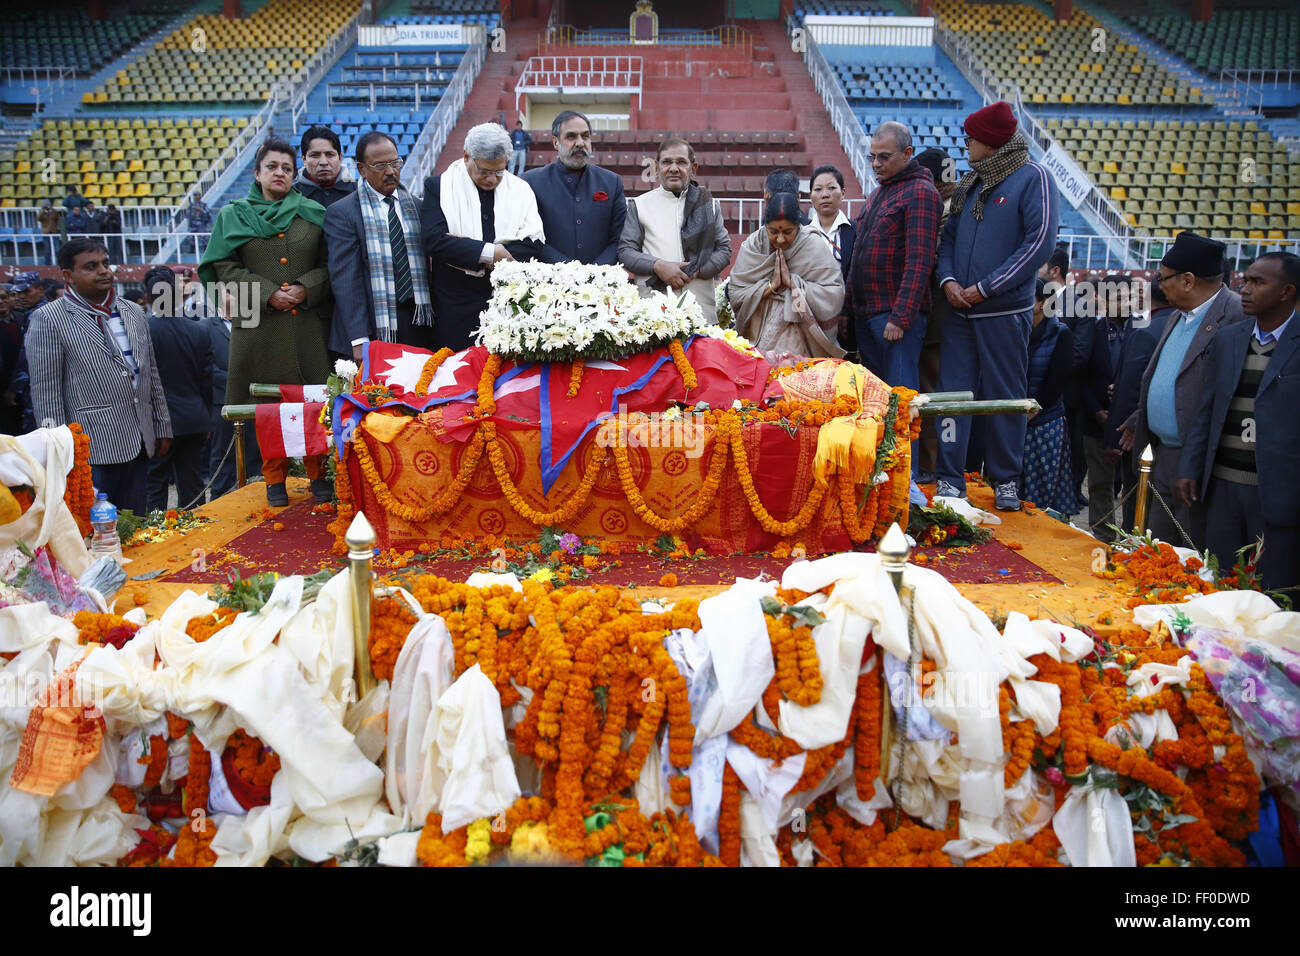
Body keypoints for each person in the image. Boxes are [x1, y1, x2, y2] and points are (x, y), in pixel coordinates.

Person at [933, 100, 1058, 511]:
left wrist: (986, 288)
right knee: (954, 395)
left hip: (1003, 312)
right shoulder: (970, 182)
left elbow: (1039, 243)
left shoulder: (1033, 177)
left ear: (990, 141)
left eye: (971, 137)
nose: (965, 144)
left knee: (1006, 395)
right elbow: (948, 239)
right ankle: (951, 478)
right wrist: (949, 280)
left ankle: (1006, 479)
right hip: (958, 311)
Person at [201, 137, 333, 508]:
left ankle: (318, 472)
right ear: (257, 172)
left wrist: (306, 288)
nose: (279, 173)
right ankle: (273, 478)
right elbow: (223, 266)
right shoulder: (233, 215)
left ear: (297, 174)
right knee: (266, 406)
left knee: (311, 401)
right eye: (272, 166)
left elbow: (330, 264)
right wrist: (266, 292)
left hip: (307, 328)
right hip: (259, 330)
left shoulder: (312, 212)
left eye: (287, 168)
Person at [1177, 252, 1300, 591]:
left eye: (1258, 282)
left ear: (1287, 291)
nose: (1245, 289)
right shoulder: (1230, 338)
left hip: (1277, 493)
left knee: (1273, 594)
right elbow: (1208, 409)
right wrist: (1191, 467)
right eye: (1245, 280)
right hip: (1222, 489)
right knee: (1222, 586)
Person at [26, 239, 172, 517]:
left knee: (136, 523)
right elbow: (46, 392)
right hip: (89, 449)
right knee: (97, 531)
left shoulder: (133, 311)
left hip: (141, 438)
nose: (104, 271)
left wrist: (162, 424)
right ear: (68, 275)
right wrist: (59, 451)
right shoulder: (49, 319)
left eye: (106, 263)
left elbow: (150, 373)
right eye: (91, 267)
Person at [1119, 231, 1246, 549]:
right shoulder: (1178, 315)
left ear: (1188, 280)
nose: (1158, 286)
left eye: (1163, 279)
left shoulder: (1236, 317)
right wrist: (1141, 417)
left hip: (1198, 465)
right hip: (1162, 454)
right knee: (1160, 548)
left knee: (1194, 553)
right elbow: (1169, 378)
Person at [420, 123, 547, 352]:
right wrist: (493, 253)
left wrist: (466, 248)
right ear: (467, 156)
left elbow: (533, 244)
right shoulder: (439, 187)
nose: (492, 180)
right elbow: (434, 241)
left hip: (508, 303)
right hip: (454, 306)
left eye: (499, 172)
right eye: (484, 172)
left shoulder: (520, 190)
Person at [845, 122, 941, 393]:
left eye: (884, 157)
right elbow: (858, 256)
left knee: (900, 403)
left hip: (894, 318)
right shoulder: (876, 195)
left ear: (907, 153)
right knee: (875, 400)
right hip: (867, 315)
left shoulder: (921, 193)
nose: (876, 163)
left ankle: (908, 440)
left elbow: (919, 261)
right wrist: (847, 310)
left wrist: (900, 317)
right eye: (872, 156)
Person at [325, 131, 437, 361]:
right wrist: (359, 339)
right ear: (361, 169)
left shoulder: (417, 206)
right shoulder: (343, 213)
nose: (390, 171)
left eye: (395, 163)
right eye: (380, 165)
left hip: (417, 322)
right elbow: (346, 280)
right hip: (373, 325)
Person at [618, 136, 730, 324]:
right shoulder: (640, 205)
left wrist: (696, 271)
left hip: (700, 310)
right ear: (656, 167)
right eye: (667, 162)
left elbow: (724, 250)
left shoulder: (709, 205)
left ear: (693, 168)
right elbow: (625, 251)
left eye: (681, 162)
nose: (673, 168)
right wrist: (659, 266)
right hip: (653, 313)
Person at [728, 192, 845, 363]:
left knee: (791, 376)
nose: (780, 239)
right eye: (773, 231)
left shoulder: (813, 245)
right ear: (765, 226)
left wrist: (794, 285)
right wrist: (770, 286)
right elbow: (735, 292)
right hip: (758, 328)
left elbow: (833, 293)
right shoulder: (754, 245)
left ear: (798, 227)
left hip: (799, 331)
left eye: (788, 232)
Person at [142, 266, 213, 512]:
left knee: (155, 484)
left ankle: (154, 538)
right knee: (192, 483)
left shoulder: (142, 333)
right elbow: (207, 380)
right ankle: (196, 533)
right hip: (194, 418)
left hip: (158, 423)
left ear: (148, 298)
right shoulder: (200, 330)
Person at [522, 110, 625, 265]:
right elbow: (530, 236)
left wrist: (595, 272)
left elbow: (619, 238)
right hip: (547, 282)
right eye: (571, 136)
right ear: (556, 142)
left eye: (585, 136)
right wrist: (568, 271)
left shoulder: (611, 182)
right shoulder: (531, 182)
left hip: (601, 282)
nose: (580, 143)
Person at [1112, 281, 1172, 532]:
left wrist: (1123, 427)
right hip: (1167, 436)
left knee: (1137, 502)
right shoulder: (1178, 324)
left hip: (1141, 431)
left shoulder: (1146, 329)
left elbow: (1132, 385)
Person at [1080, 274, 1135, 541]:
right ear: (1101, 299)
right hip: (1097, 421)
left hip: (1135, 422)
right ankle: (1103, 538)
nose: (1124, 302)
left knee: (1134, 485)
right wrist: (1096, 411)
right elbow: (1079, 376)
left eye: (1127, 297)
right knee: (1100, 484)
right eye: (1117, 297)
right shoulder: (1090, 329)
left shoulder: (1143, 330)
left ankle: (1134, 541)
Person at [914, 146, 957, 481]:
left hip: (938, 322)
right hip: (937, 322)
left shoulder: (947, 213)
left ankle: (933, 466)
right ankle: (935, 464)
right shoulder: (951, 207)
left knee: (934, 396)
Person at [1040, 245, 1091, 510]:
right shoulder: (1031, 299)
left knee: (1065, 461)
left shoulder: (1080, 305)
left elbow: (1080, 355)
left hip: (1065, 400)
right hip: (1032, 396)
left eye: (1039, 263)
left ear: (1054, 270)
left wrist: (1047, 378)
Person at [1021, 278, 1076, 514]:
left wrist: (1033, 412)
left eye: (1028, 298)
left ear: (1042, 303)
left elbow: (1056, 382)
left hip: (1045, 421)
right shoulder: (1018, 330)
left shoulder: (1060, 333)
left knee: (1044, 484)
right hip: (1018, 416)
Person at [206, 286, 262, 498]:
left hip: (252, 402)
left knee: (254, 455)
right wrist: (236, 382)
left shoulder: (255, 326)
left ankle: (256, 496)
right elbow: (207, 368)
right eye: (229, 291)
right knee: (223, 456)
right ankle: (219, 500)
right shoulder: (206, 328)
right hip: (223, 403)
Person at [296, 125, 355, 208]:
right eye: (315, 155)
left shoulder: (359, 193)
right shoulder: (292, 196)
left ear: (340, 157)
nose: (323, 162)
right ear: (304, 160)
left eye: (330, 155)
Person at [37, 200, 62, 265]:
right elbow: (38, 219)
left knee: (57, 249)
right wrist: (43, 211)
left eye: (48, 205)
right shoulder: (42, 213)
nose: (47, 206)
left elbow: (58, 218)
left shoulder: (54, 212)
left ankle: (59, 263)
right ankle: (47, 263)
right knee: (47, 250)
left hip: (54, 232)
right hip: (46, 232)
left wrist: (51, 210)